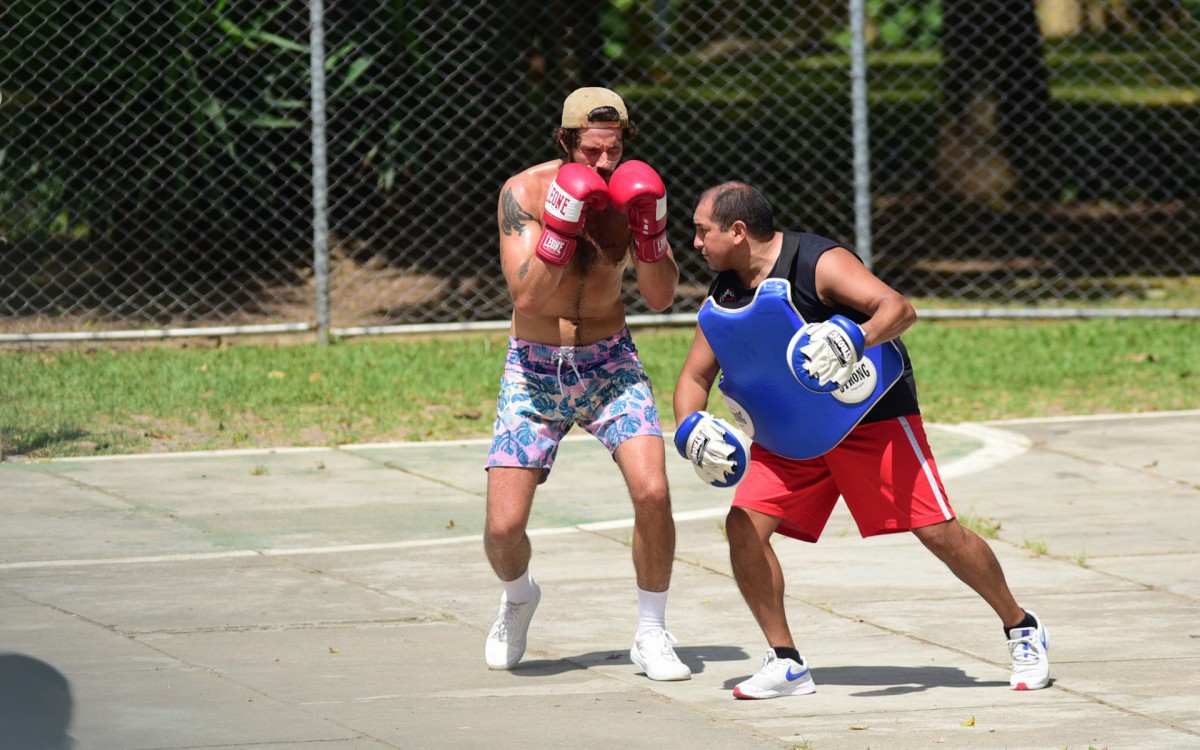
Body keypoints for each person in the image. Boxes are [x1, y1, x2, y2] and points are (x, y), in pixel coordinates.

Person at [672, 182, 1050, 699]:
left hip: (868, 418)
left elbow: (898, 308)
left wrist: (855, 337)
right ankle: (786, 662)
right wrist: (690, 428)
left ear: (738, 232)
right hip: (789, 434)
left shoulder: (817, 261)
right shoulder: (725, 293)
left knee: (938, 532)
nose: (695, 242)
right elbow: (694, 377)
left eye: (702, 230)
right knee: (743, 527)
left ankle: (1021, 626)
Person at [482, 87, 690, 681]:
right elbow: (525, 294)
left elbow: (658, 295)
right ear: (566, 141)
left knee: (653, 491)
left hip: (610, 364)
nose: (604, 164)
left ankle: (652, 632)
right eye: (593, 151)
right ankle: (519, 597)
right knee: (503, 528)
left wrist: (649, 234)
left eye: (615, 149)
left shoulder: (634, 193)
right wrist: (562, 222)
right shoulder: (523, 193)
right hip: (535, 368)